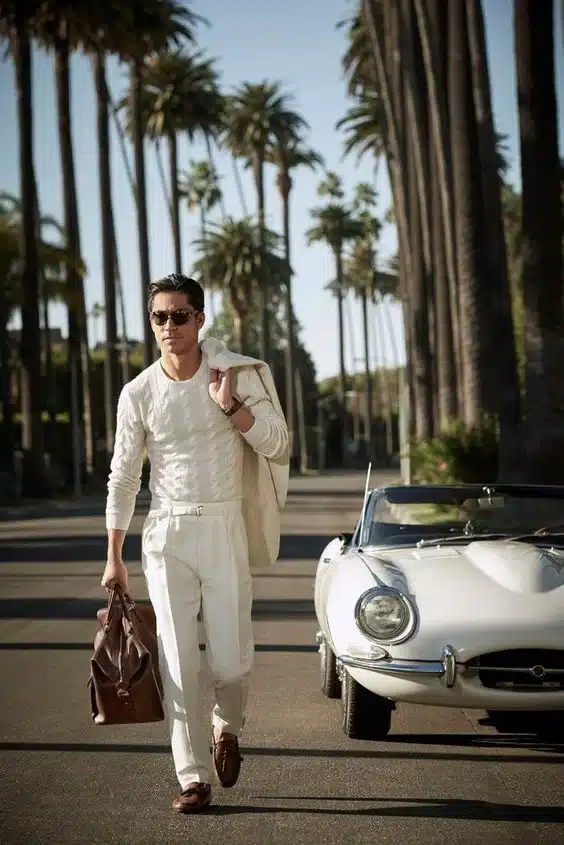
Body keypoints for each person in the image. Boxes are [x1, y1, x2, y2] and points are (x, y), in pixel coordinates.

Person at [101, 273, 289, 813]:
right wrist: (114, 556)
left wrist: (232, 408)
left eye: (179, 315)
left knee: (231, 663)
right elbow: (122, 476)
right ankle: (192, 777)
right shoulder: (137, 392)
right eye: (159, 317)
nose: (168, 326)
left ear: (200, 319)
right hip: (165, 533)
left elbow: (277, 444)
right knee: (179, 662)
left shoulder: (237, 372)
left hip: (224, 526)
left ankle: (226, 727)